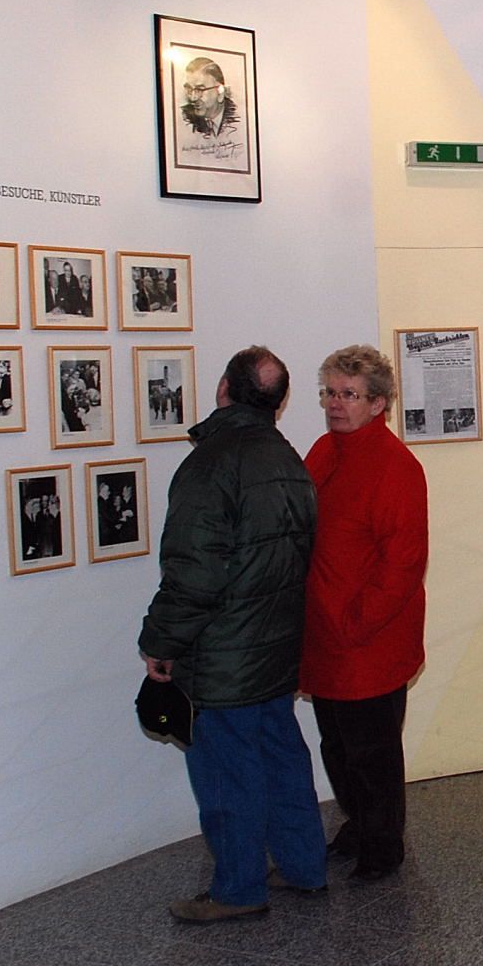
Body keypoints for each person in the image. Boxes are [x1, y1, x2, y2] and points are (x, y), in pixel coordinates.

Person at [138, 346, 325, 922]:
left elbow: (194, 570)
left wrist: (161, 642)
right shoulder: (288, 459)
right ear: (278, 400)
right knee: (282, 757)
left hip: (222, 655)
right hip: (275, 646)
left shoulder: (212, 462)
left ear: (224, 388)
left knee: (226, 774)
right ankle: (304, 867)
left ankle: (238, 890)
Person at [300, 346, 429, 882]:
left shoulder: (396, 467)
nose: (335, 403)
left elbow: (403, 564)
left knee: (372, 754)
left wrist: (354, 624)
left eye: (348, 394)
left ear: (378, 403)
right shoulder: (323, 452)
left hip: (367, 642)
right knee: (336, 746)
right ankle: (359, 824)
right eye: (329, 392)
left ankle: (382, 845)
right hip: (323, 636)